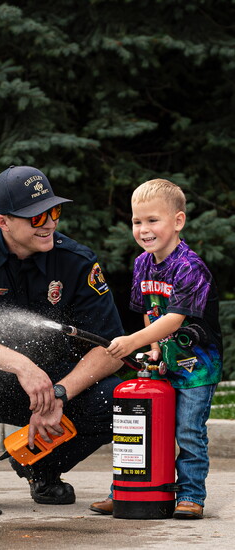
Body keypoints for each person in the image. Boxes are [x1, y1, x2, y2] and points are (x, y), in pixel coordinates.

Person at [0, 164, 124, 510]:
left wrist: (59, 394)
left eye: (53, 211)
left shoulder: (77, 261)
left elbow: (112, 350)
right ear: (3, 222)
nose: (49, 224)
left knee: (116, 400)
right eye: (35, 217)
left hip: (58, 381)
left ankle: (41, 468)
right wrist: (21, 366)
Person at [90, 178, 222, 519]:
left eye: (153, 220)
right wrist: (150, 347)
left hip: (197, 365)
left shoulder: (189, 267)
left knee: (188, 432)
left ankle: (191, 495)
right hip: (162, 359)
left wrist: (131, 342)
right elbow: (152, 312)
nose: (143, 229)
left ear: (177, 221)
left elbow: (175, 318)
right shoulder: (142, 264)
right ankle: (125, 490)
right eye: (137, 221)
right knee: (143, 423)